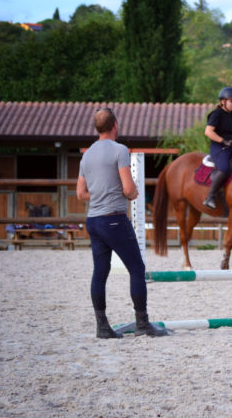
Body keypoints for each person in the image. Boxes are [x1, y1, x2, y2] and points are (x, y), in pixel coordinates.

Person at [77, 108, 169, 338]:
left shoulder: (86, 155)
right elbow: (129, 189)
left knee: (100, 272)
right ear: (115, 125)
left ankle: (102, 326)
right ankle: (142, 323)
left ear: (97, 128)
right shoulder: (120, 150)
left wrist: (99, 195)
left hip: (94, 220)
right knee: (136, 269)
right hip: (114, 220)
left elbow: (81, 193)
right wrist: (132, 193)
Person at [203, 86, 232, 211]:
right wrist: (223, 141)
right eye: (231, 101)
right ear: (223, 101)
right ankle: (210, 196)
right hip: (218, 147)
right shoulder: (216, 114)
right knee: (225, 168)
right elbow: (208, 132)